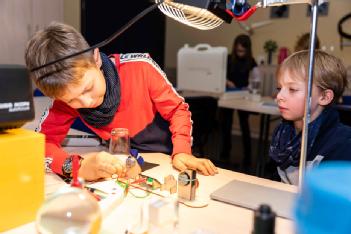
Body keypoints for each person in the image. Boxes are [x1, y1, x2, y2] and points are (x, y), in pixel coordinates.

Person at [25, 22, 218, 181]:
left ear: (96, 58)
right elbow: (41, 144)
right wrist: (77, 167)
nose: (85, 101)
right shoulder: (64, 102)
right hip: (124, 165)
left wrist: (182, 151)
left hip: (169, 159)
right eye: (71, 100)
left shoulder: (141, 69)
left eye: (88, 88)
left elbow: (178, 110)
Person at [269, 50, 351, 185]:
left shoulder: (343, 145)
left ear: (324, 97)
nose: (279, 97)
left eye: (292, 89)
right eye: (279, 88)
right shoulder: (281, 136)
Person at [220, 34, 257, 172]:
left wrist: (249, 88)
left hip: (243, 97)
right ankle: (224, 154)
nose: (240, 53)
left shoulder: (251, 61)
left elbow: (255, 79)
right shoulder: (229, 59)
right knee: (226, 125)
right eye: (238, 51)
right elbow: (220, 74)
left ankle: (248, 157)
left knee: (244, 125)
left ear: (248, 50)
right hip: (228, 96)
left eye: (243, 51)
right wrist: (227, 81)